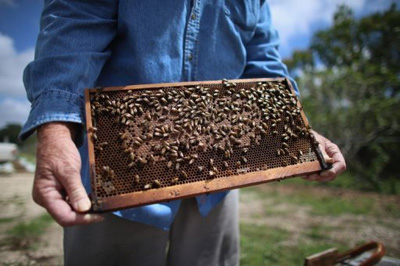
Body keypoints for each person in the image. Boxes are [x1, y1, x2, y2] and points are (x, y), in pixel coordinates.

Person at [21, 1, 346, 265]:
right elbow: (75, 21)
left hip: (221, 174)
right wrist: (55, 129)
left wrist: (297, 131)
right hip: (119, 172)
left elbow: (264, 63)